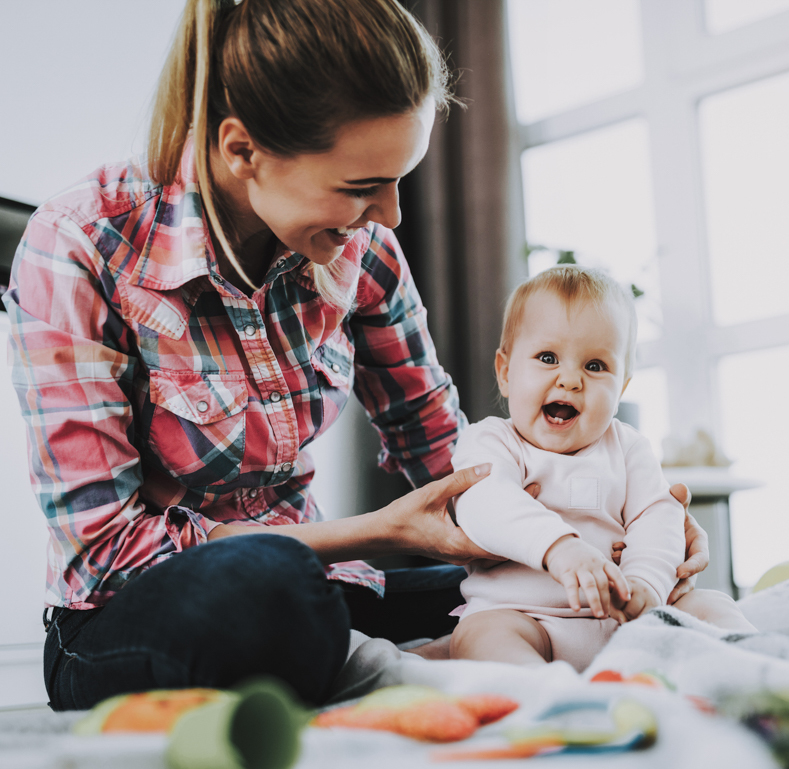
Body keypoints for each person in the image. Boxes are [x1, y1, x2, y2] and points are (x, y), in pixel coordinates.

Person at [4, 0, 708, 711]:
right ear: (241, 149)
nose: (391, 215)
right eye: (361, 187)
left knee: (534, 598)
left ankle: (386, 665)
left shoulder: (365, 251)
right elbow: (109, 552)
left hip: (327, 591)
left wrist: (611, 539)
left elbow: (450, 465)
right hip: (131, 616)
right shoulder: (79, 246)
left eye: (397, 179)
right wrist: (373, 532)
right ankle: (387, 667)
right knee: (267, 591)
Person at [449, 266, 756, 671]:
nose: (571, 380)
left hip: (625, 622)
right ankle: (548, 697)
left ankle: (762, 665)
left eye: (595, 366)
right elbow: (485, 502)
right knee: (480, 635)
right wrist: (560, 548)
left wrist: (646, 582)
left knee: (711, 604)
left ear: (622, 388)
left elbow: (658, 515)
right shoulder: (491, 441)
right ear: (506, 372)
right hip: (526, 617)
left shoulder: (628, 448)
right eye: (547, 358)